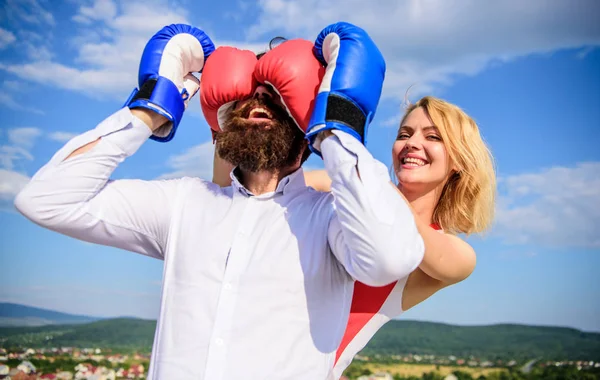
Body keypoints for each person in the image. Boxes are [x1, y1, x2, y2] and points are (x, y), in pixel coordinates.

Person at [14, 22, 426, 379]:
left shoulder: (333, 219)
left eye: (278, 94)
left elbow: (389, 257)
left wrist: (338, 123)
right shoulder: (183, 203)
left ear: (306, 114)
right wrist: (152, 104)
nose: (258, 101)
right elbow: (44, 200)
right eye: (247, 92)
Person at [304, 96, 496, 378]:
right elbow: (250, 194)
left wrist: (356, 170)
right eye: (404, 134)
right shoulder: (341, 185)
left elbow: (411, 231)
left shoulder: (456, 255)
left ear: (458, 160)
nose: (412, 143)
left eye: (433, 137)